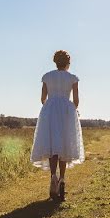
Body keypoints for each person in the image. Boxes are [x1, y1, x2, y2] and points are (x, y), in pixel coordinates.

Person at [30, 50, 85, 201]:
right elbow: (76, 100)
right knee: (63, 146)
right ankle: (62, 179)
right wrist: (71, 110)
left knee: (53, 145)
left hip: (50, 110)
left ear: (55, 62)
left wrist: (50, 107)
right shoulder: (72, 78)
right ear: (68, 63)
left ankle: (53, 176)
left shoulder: (47, 76)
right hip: (66, 111)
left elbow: (43, 98)